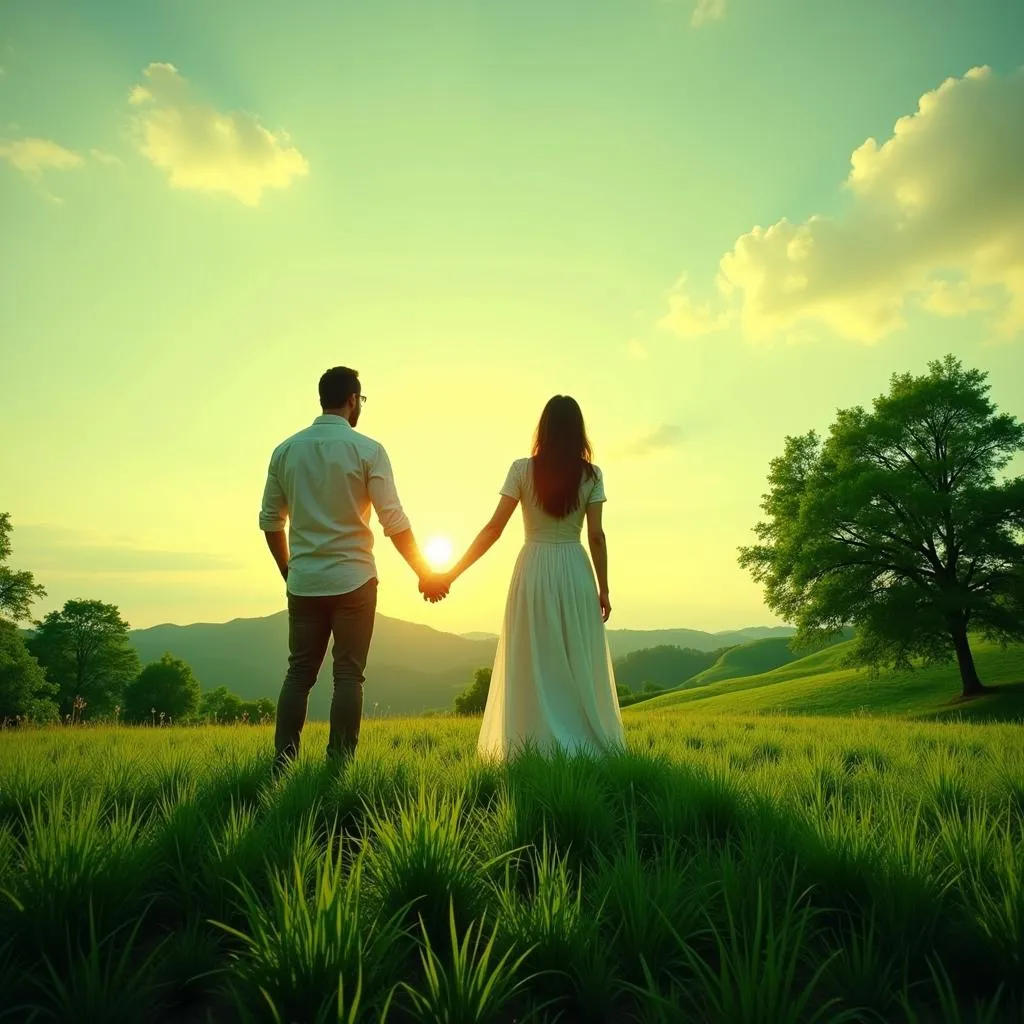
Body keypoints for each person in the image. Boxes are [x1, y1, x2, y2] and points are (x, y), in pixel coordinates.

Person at [259, 366, 448, 769]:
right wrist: (424, 572)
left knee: (299, 674)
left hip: (305, 581)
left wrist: (289, 571)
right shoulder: (368, 450)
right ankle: (339, 766)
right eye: (360, 400)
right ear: (352, 400)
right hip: (354, 580)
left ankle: (283, 762)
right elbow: (393, 521)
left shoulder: (285, 451)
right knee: (348, 676)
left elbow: (270, 521)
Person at [437, 395, 625, 759]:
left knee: (533, 655)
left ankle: (531, 742)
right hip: (574, 568)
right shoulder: (592, 475)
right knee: (576, 658)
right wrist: (604, 589)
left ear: (544, 428)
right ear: (578, 431)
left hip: (534, 568)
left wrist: (451, 573)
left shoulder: (522, 470)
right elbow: (597, 536)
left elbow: (494, 528)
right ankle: (583, 741)